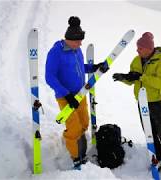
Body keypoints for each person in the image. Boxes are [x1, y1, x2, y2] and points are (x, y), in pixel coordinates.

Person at [45, 16, 108, 169]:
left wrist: (93, 68)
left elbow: (80, 67)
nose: (81, 44)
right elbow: (49, 77)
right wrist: (66, 94)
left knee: (84, 123)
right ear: (70, 39)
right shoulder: (56, 53)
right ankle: (76, 157)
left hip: (80, 94)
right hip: (66, 97)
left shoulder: (76, 50)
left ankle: (79, 146)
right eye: (78, 41)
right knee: (74, 128)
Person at [112, 32, 161, 179]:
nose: (137, 51)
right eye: (137, 48)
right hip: (142, 102)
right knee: (150, 133)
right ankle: (158, 158)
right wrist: (124, 77)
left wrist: (141, 77)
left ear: (149, 49)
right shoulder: (137, 60)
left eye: (140, 48)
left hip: (158, 102)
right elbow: (133, 79)